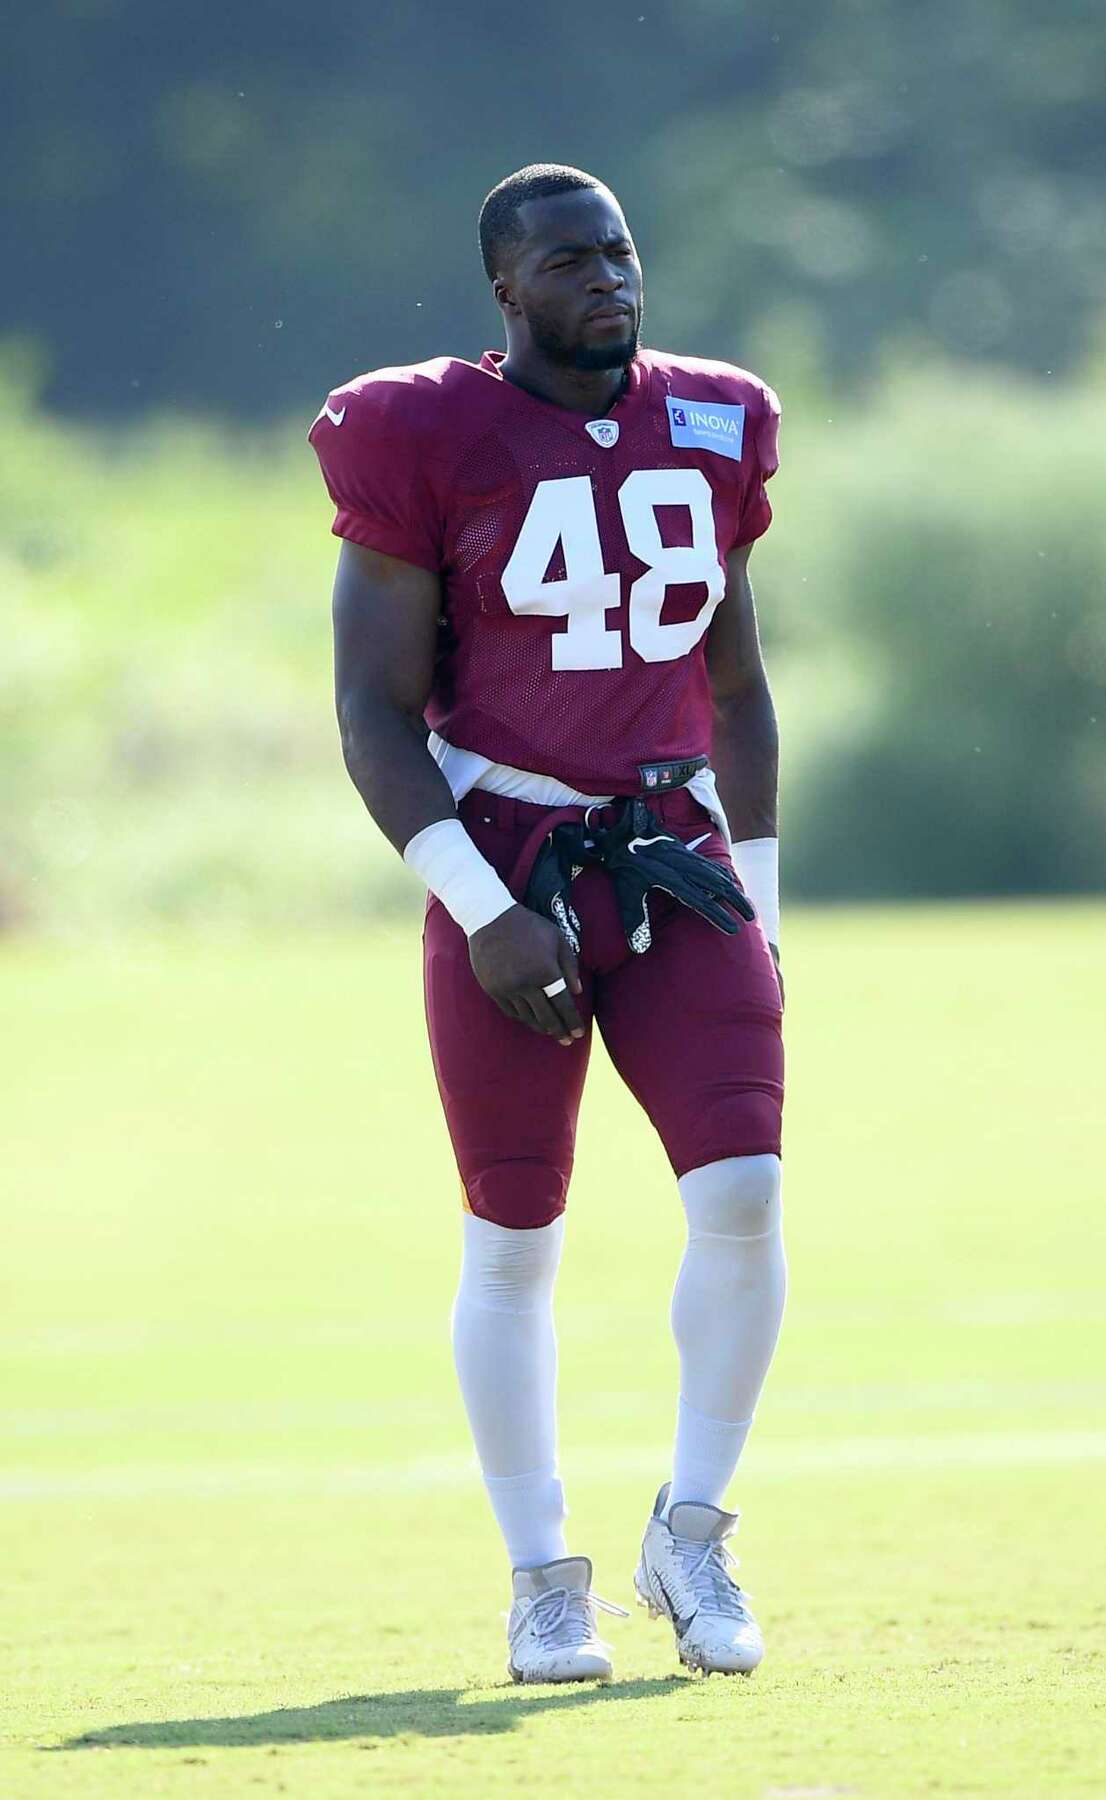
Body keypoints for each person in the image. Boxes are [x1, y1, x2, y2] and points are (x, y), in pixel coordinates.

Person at [309, 163, 787, 1684]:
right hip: (505, 845)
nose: (610, 280)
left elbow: (738, 693)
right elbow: (372, 714)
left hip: (674, 849)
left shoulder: (715, 415)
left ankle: (693, 1532)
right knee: (515, 1233)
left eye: (624, 253)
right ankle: (542, 1575)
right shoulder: (418, 428)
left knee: (748, 1188)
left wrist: (763, 907)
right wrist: (482, 905)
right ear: (505, 290)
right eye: (571, 261)